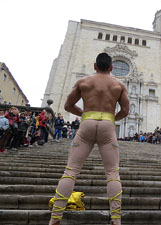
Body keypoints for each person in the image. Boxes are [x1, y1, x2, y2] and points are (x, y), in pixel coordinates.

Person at [49, 53, 129, 225]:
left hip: (87, 123)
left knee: (71, 170)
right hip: (108, 124)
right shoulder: (119, 84)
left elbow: (68, 105)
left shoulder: (83, 82)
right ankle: (116, 219)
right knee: (112, 172)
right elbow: (125, 110)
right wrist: (113, 117)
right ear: (111, 67)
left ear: (95, 66)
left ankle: (55, 217)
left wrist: (84, 113)